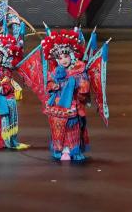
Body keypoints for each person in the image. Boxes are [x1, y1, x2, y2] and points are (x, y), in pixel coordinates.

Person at [19, 28, 108, 162]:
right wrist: (53, 86)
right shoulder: (56, 71)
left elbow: (84, 88)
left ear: (72, 55)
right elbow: (49, 83)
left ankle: (73, 150)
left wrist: (79, 85)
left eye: (66, 56)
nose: (63, 60)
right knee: (58, 129)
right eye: (60, 58)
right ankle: (61, 149)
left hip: (73, 105)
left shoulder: (79, 70)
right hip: (57, 106)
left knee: (72, 128)